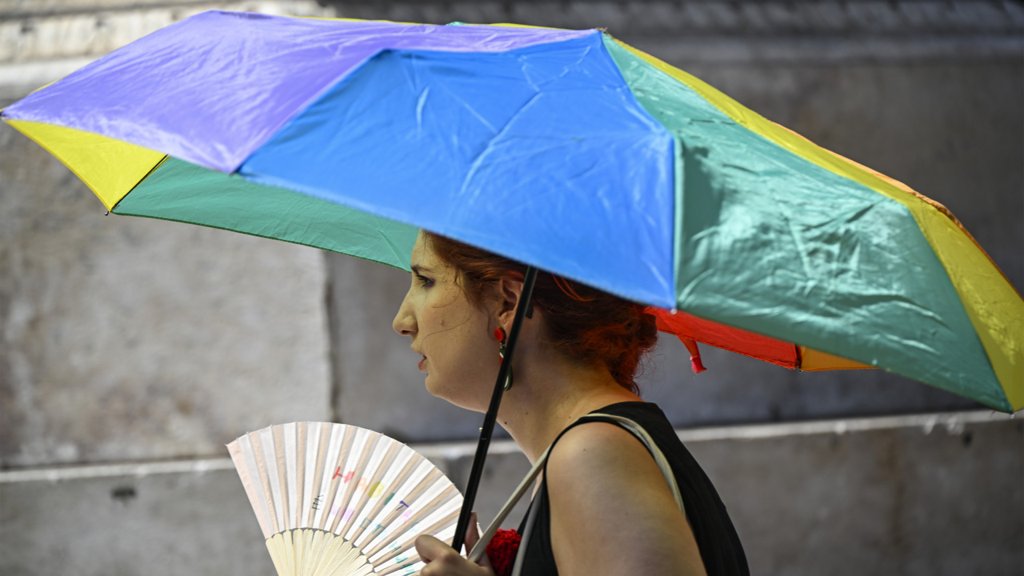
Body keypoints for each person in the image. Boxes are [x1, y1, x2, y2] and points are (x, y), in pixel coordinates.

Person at [392, 230, 749, 576]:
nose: (402, 321)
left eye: (426, 280)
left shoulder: (592, 456)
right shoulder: (592, 450)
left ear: (508, 302)